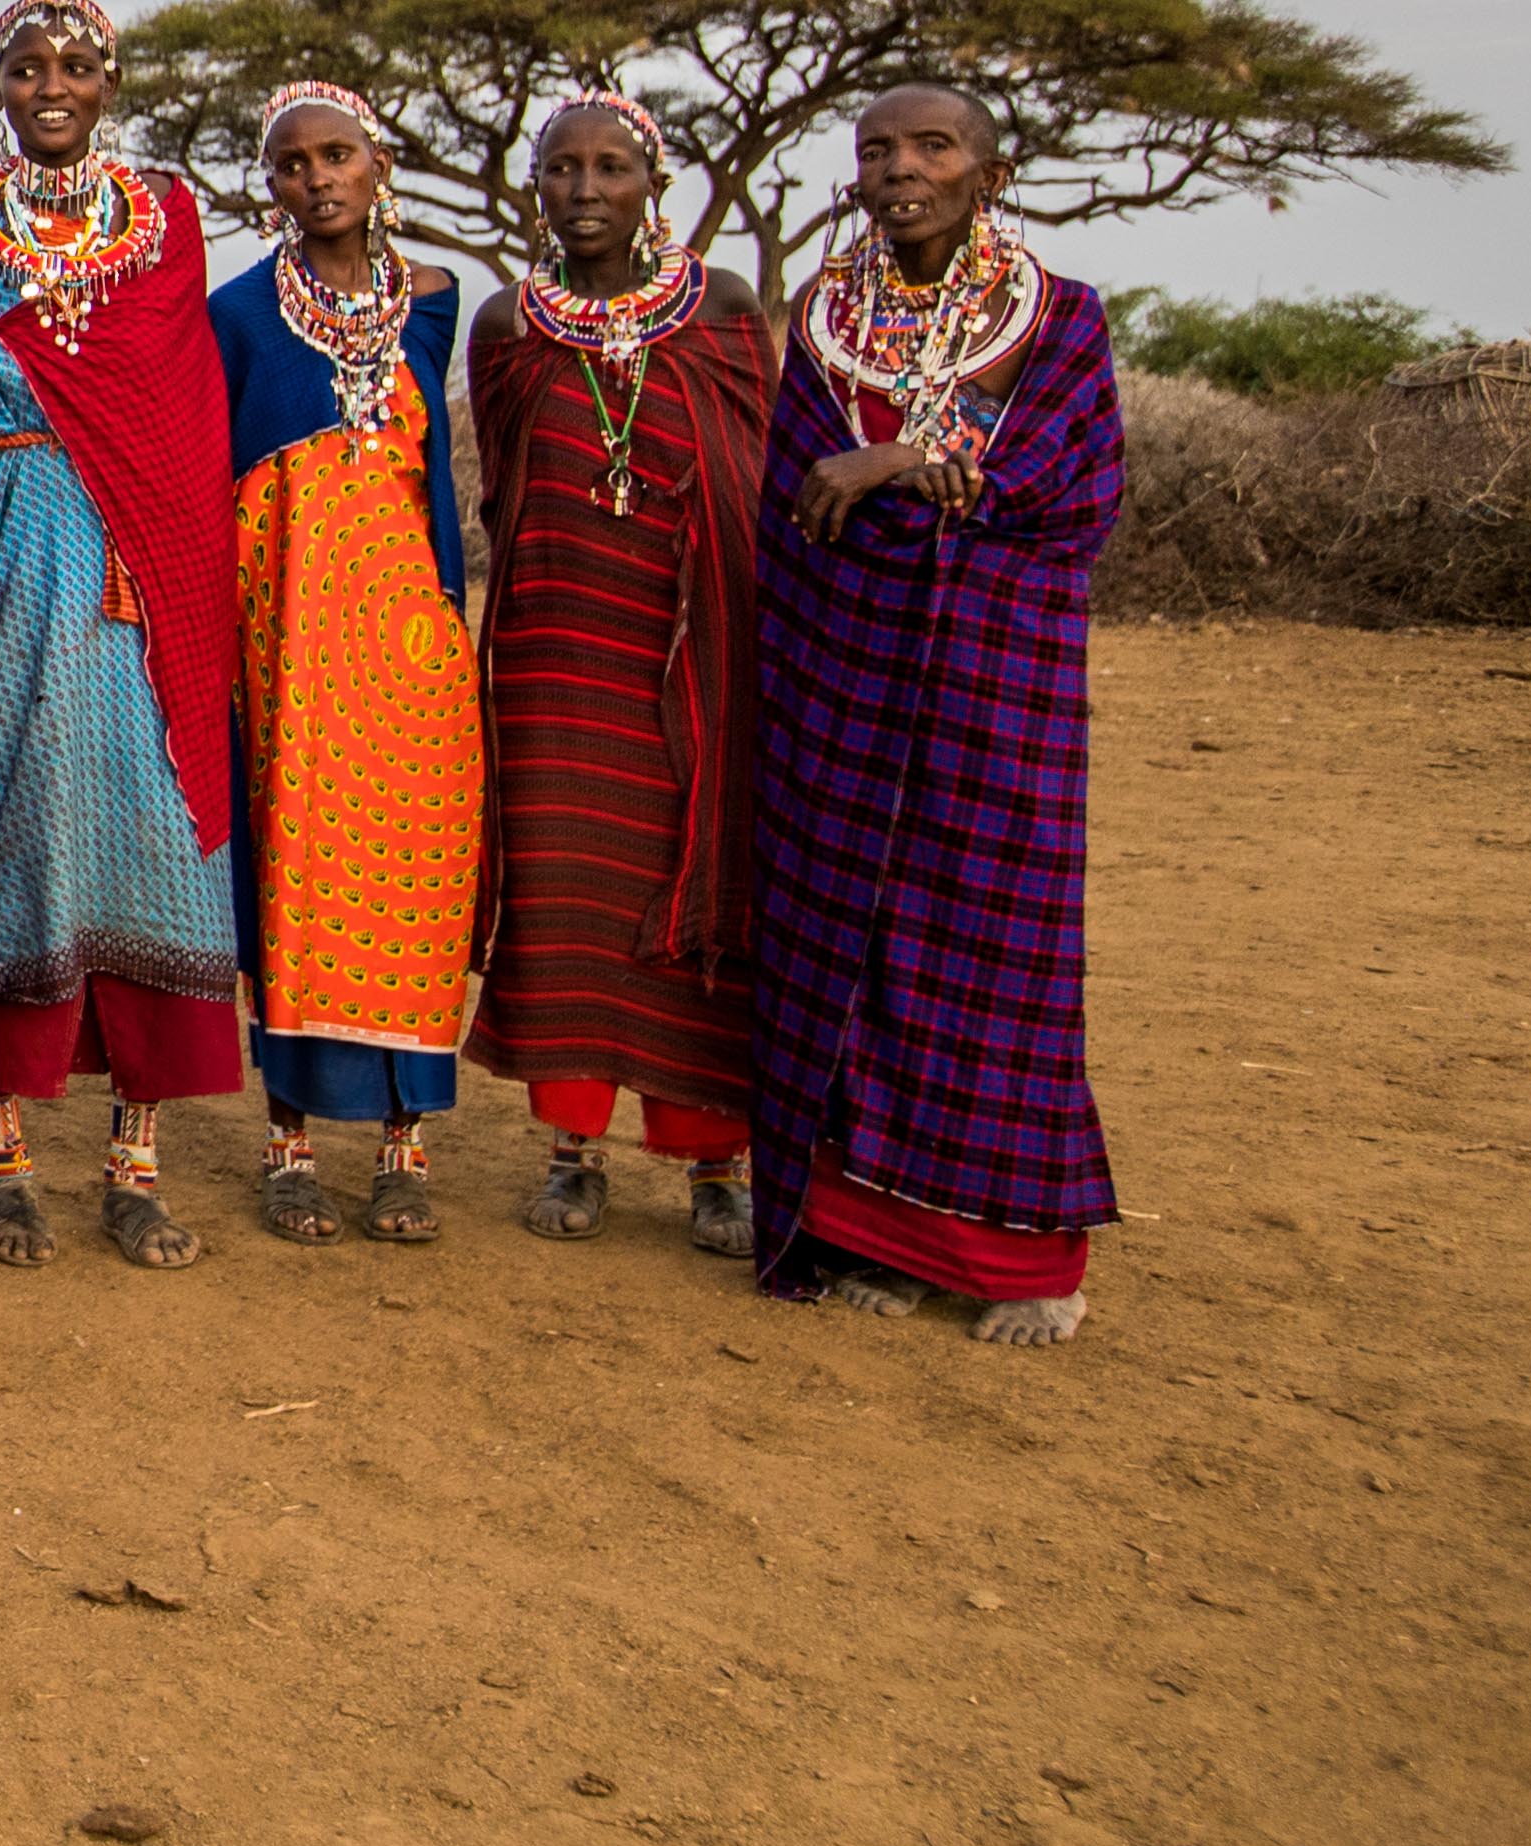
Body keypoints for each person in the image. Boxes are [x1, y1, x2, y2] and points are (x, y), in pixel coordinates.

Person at [752, 84, 1124, 1347]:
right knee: (852, 942)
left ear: (987, 173)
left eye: (932, 146)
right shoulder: (825, 317)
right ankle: (878, 1236)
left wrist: (901, 463)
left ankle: (1024, 1262)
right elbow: (795, 506)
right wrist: (876, 492)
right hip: (841, 677)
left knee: (995, 948)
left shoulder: (1058, 316)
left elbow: (1070, 490)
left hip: (996, 682)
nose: (900, 168)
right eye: (876, 150)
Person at [0, 0, 243, 1272]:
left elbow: (176, 402)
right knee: (10, 825)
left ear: (110, 83)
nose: (52, 85)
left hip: (140, 576)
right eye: (26, 67)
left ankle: (134, 1165)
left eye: (76, 65)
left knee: (152, 831)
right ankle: (0, 1161)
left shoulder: (166, 225)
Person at [465, 94, 770, 1253]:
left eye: (609, 168)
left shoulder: (724, 307)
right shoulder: (507, 324)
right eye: (560, 169)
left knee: (698, 890)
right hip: (556, 652)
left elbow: (759, 470)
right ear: (535, 184)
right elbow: (505, 490)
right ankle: (573, 1150)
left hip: (698, 651)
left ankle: (716, 1162)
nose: (584, 190)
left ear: (654, 184)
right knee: (570, 897)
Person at [213, 82, 484, 1244]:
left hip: (413, 648)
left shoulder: (434, 300)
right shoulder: (236, 315)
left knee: (415, 886)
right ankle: (288, 1144)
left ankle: (402, 1148)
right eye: (291, 164)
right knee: (294, 875)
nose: (316, 178)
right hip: (288, 641)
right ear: (268, 183)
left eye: (336, 156)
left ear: (377, 165)